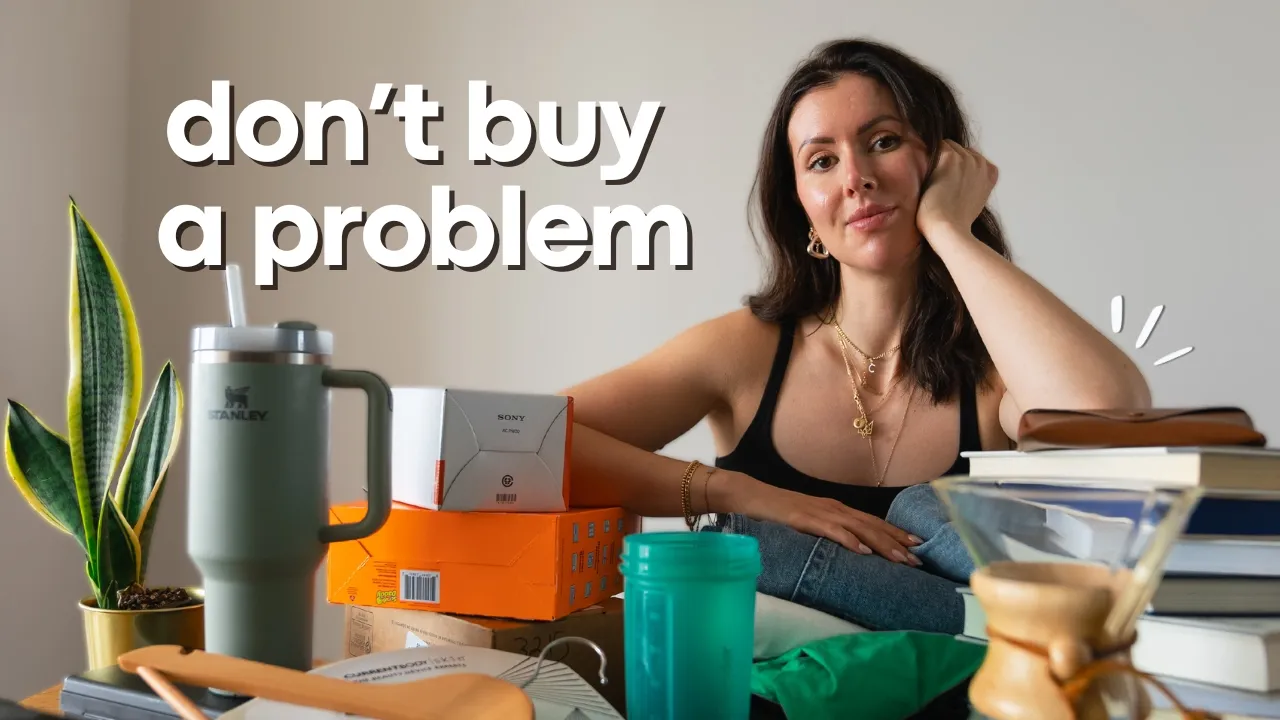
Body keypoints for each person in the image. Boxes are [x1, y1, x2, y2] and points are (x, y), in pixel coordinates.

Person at [560, 37, 1151, 634]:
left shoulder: (999, 366)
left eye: (884, 142)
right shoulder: (743, 350)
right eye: (822, 161)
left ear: (944, 162)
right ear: (800, 206)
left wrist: (950, 229)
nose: (857, 178)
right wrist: (735, 494)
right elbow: (526, 440)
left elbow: (1107, 420)